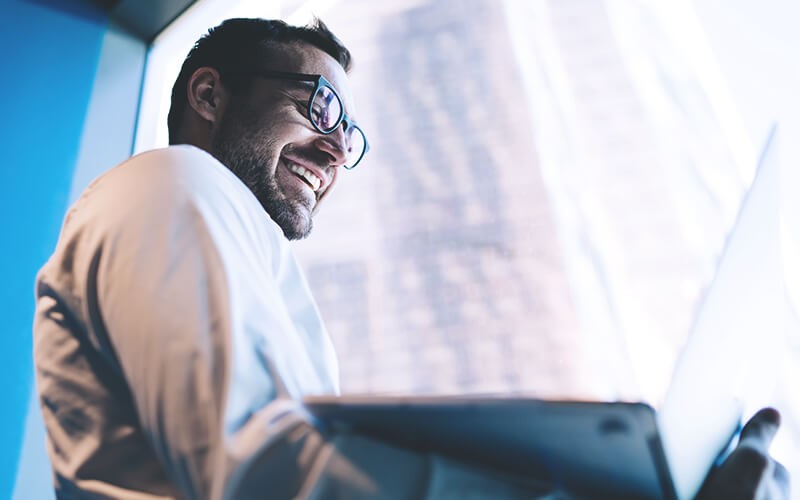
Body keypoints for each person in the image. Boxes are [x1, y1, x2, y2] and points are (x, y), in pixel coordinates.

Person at [33, 17, 788, 499]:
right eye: (318, 105)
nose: (335, 148)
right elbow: (259, 474)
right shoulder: (174, 179)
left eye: (349, 133)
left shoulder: (251, 260)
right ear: (208, 94)